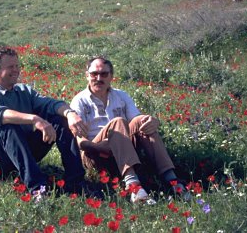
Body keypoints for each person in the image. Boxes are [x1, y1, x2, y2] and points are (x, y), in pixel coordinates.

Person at [0, 47, 96, 197]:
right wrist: (34, 119)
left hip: (20, 150)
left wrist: (70, 114)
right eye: (10, 67)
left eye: (17, 66)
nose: (16, 70)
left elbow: (50, 104)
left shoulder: (24, 91)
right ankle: (38, 188)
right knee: (9, 127)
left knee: (59, 120)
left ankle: (76, 182)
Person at [69, 57, 190, 203]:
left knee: (143, 121)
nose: (98, 78)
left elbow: (137, 120)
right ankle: (134, 186)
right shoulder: (79, 101)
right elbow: (79, 141)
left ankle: (173, 181)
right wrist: (99, 146)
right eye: (94, 74)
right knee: (118, 122)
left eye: (104, 74)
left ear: (111, 76)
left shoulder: (121, 95)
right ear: (87, 75)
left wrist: (153, 121)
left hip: (123, 148)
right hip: (94, 153)